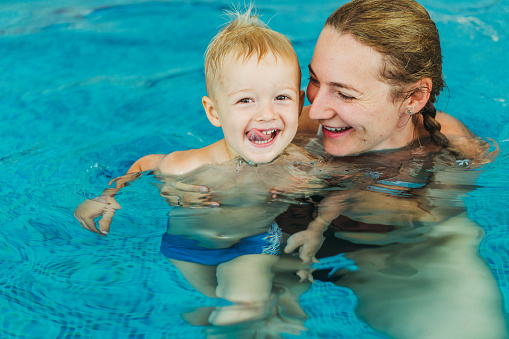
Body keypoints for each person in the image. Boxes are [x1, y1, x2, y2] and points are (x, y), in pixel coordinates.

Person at [163, 0, 507, 337]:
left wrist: (343, 186)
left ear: (414, 97)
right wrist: (177, 183)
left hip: (382, 247)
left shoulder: (452, 151)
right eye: (315, 81)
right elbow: (204, 160)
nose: (313, 110)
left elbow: (425, 222)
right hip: (273, 239)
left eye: (344, 94)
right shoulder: (279, 122)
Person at [74, 8, 342, 328]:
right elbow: (147, 164)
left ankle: (255, 318)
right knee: (213, 299)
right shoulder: (192, 163)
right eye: (246, 101)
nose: (266, 114)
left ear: (300, 105)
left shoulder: (300, 164)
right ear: (214, 112)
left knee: (248, 302)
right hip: (187, 249)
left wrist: (316, 228)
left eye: (281, 97)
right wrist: (107, 196)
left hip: (252, 244)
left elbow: (335, 192)